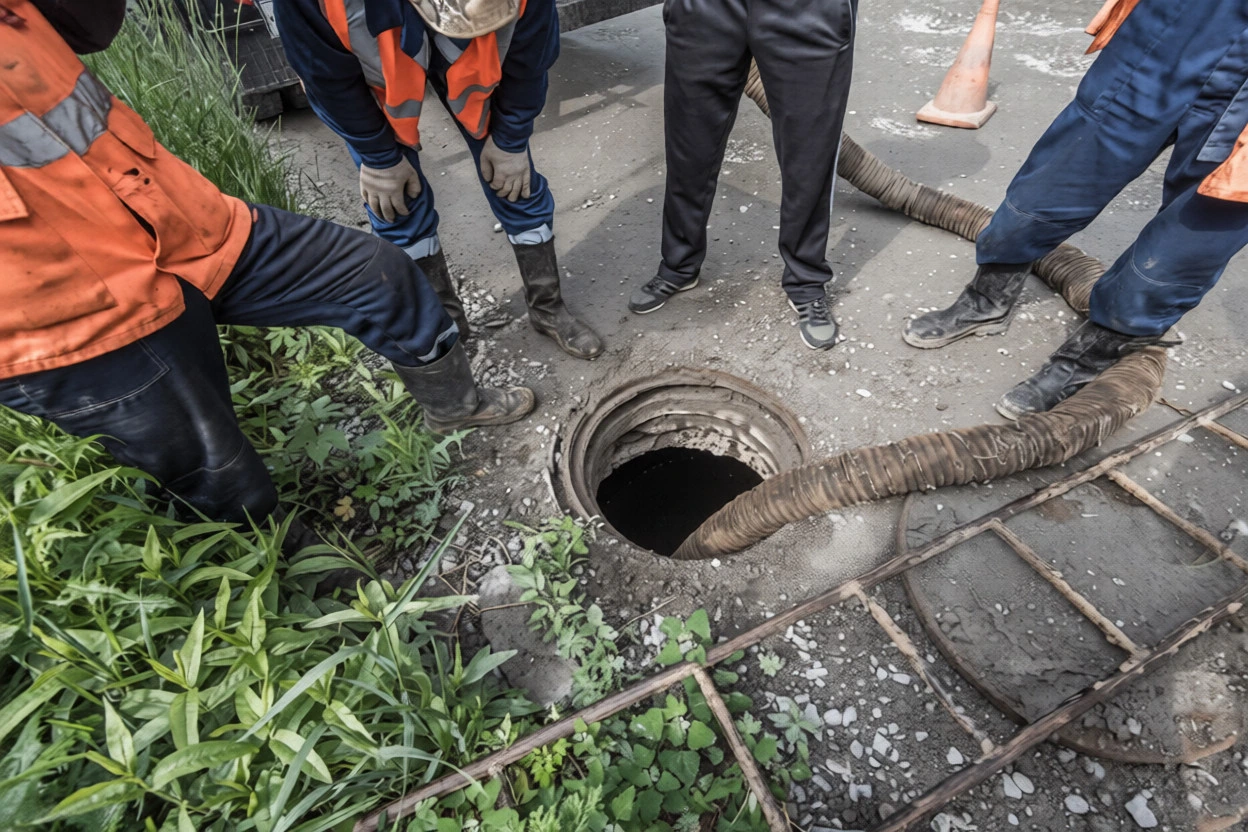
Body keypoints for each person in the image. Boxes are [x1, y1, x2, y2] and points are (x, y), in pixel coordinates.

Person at [0, 0, 534, 530]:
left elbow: (90, 27)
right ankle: (308, 580)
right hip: (65, 314)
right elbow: (325, 69)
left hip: (179, 219)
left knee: (379, 273)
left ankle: (454, 407)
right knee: (215, 470)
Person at [903, 0, 1248, 419]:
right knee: (1066, 167)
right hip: (1183, 24)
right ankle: (987, 298)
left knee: (1197, 231)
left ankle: (1090, 355)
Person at [272, 0, 603, 360]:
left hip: (470, 57)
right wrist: (378, 157)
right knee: (396, 202)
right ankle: (446, 326)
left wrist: (511, 139)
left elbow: (532, 51)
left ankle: (547, 308)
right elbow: (325, 75)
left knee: (514, 182)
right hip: (369, 64)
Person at [626, 0, 858, 350]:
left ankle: (806, 281)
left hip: (806, 9)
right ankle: (679, 264)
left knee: (809, 154)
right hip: (706, 9)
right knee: (689, 144)